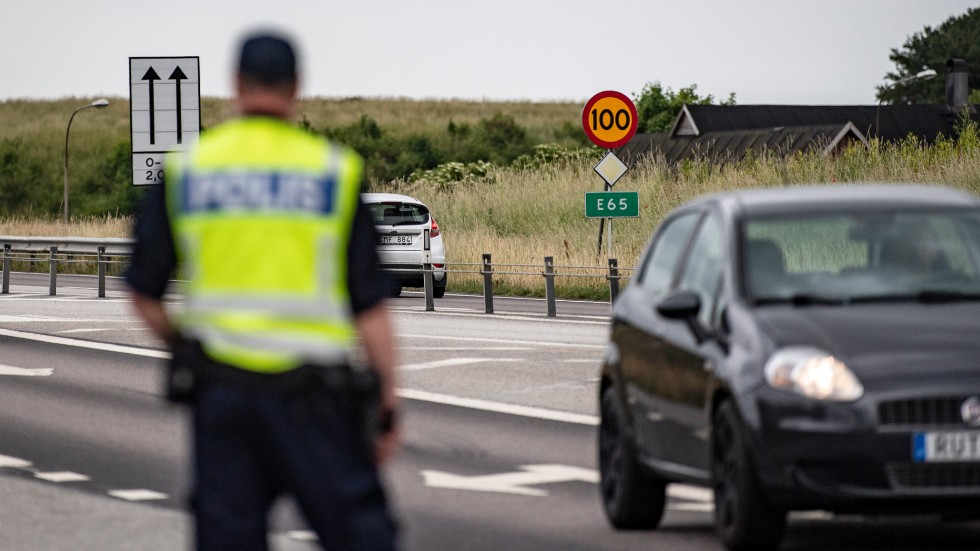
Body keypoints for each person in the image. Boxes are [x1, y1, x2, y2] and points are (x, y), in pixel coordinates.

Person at [125, 30, 400, 550]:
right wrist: (386, 405)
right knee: (365, 538)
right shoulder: (334, 172)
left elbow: (143, 292)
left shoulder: (188, 169)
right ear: (297, 86)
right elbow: (371, 308)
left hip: (223, 395)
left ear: (235, 85)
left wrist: (187, 349)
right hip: (314, 400)